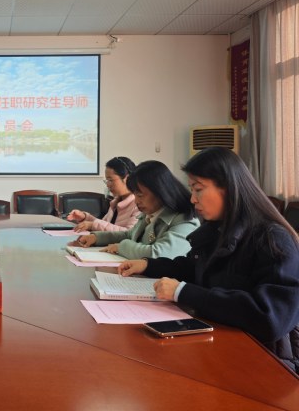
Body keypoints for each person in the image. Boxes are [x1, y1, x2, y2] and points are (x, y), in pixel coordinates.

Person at [119, 147, 299, 372]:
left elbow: (270, 317)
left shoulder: (272, 239)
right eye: (191, 189)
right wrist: (148, 265)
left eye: (198, 189)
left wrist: (183, 292)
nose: (192, 199)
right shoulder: (217, 230)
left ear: (229, 187)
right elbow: (193, 268)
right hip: (217, 346)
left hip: (261, 361)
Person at [72, 160, 199, 259]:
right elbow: (129, 234)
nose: (136, 201)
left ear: (160, 191)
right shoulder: (150, 213)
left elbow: (159, 253)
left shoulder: (184, 219)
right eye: (135, 194)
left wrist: (121, 247)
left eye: (140, 195)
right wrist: (97, 238)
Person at [67, 156, 141, 232]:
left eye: (110, 180)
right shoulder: (116, 202)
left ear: (127, 179)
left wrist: (92, 225)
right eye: (107, 180)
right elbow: (105, 225)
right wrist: (84, 217)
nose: (108, 185)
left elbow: (129, 233)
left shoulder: (139, 204)